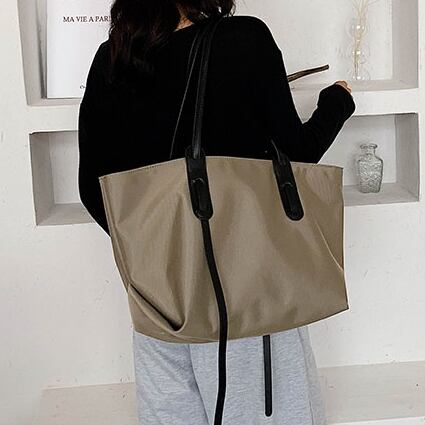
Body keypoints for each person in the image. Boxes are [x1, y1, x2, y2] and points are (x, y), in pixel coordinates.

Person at [78, 1, 356, 424]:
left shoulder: (114, 56)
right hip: (248, 300)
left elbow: (93, 189)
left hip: (157, 305)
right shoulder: (244, 39)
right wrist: (337, 102)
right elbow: (297, 157)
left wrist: (158, 255)